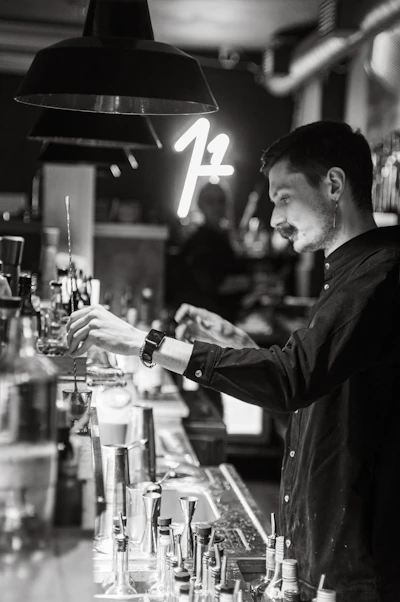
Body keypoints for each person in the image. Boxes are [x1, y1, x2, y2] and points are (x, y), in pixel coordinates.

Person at [66, 121, 400, 602]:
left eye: (284, 197)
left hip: (354, 569)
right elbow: (317, 388)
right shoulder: (350, 276)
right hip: (320, 557)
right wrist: (244, 345)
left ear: (333, 185)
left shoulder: (379, 278)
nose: (273, 219)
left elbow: (294, 379)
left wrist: (147, 343)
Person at [175, 181, 246, 323]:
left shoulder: (221, 237)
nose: (216, 206)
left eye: (220, 201)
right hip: (206, 326)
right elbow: (214, 284)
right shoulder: (200, 241)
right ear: (200, 205)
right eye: (210, 201)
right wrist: (253, 282)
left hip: (222, 322)